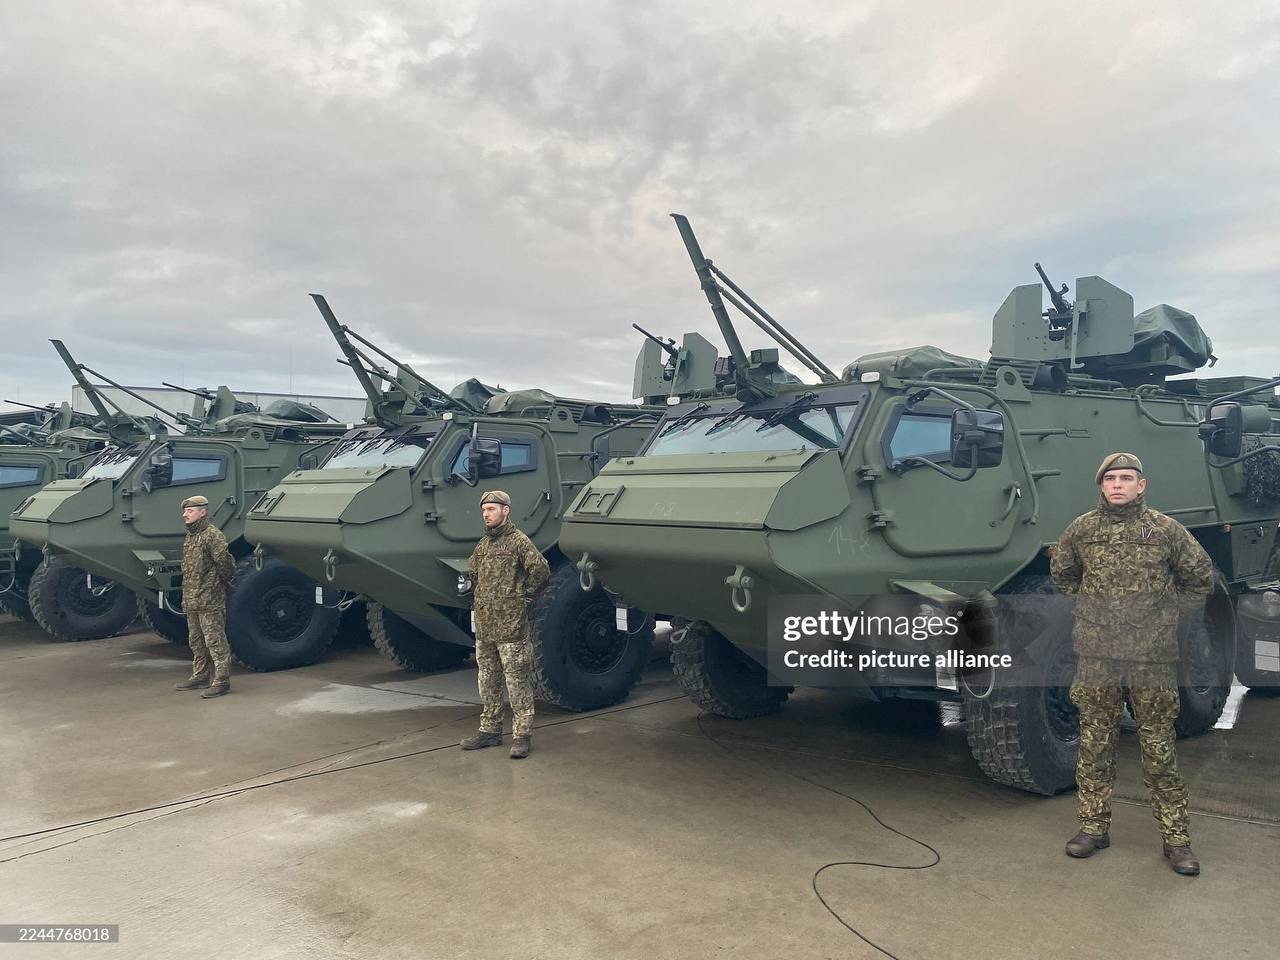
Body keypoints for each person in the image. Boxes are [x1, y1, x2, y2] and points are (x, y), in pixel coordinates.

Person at [1051, 452, 1213, 876]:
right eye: (1111, 478)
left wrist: (1167, 616)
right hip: (1098, 656)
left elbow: (1200, 579)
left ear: (1142, 485)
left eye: (1127, 478)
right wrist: (1089, 609)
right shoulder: (1082, 530)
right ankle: (1092, 828)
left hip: (1151, 659)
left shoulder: (1165, 530)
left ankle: (1176, 840)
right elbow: (1063, 575)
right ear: (1101, 486)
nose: (1118, 484)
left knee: (1158, 750)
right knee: (1095, 745)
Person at [460, 490, 551, 759]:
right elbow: (474, 574)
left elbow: (541, 571)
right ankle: (489, 731)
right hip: (486, 627)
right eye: (484, 510)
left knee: (517, 680)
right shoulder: (483, 545)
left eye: (491, 509)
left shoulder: (519, 542)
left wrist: (524, 596)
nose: (486, 514)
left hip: (511, 628)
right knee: (487, 679)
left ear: (505, 511)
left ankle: (522, 735)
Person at [173, 495, 236, 698]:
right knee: (196, 640)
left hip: (209, 599)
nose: (185, 515)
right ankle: (200, 675)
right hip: (192, 599)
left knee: (215, 641)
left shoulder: (212, 535)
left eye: (190, 511)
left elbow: (225, 565)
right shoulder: (192, 536)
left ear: (203, 512)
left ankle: (221, 681)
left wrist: (214, 587)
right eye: (185, 511)